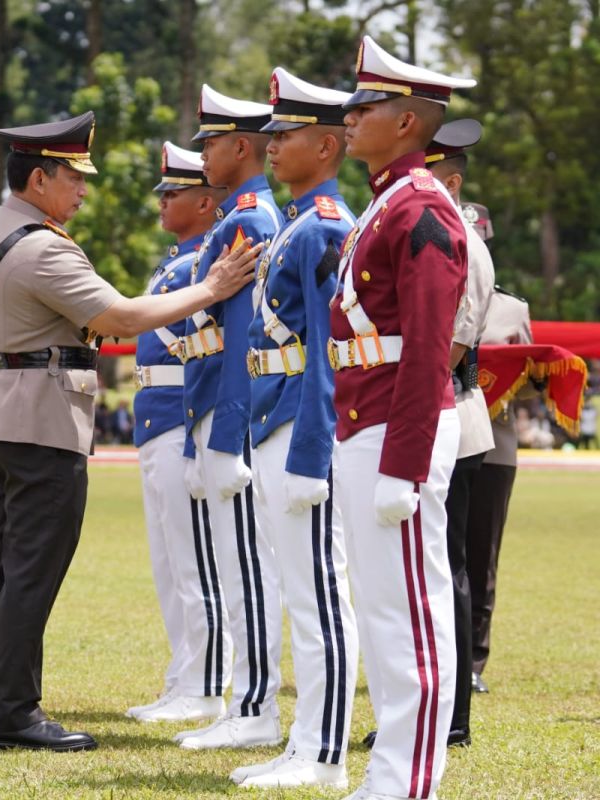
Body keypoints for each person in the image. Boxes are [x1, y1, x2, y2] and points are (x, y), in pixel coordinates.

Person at [0, 109, 261, 752]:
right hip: (41, 415)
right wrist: (210, 288)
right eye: (74, 177)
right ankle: (15, 712)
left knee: (3, 568)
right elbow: (120, 316)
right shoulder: (42, 245)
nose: (83, 190)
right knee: (32, 570)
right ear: (40, 179)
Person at [332, 36, 474, 800]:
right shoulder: (388, 199)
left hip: (398, 425)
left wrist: (406, 463)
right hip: (367, 418)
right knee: (384, 609)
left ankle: (410, 778)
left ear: (410, 122)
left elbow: (427, 344)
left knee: (409, 613)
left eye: (368, 106)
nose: (351, 118)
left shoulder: (420, 207)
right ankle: (391, 768)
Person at [230, 68, 360, 789]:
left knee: (318, 595)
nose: (271, 146)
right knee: (296, 589)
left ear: (327, 143)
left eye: (285, 135)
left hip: (301, 426)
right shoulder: (303, 225)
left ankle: (326, 754)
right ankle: (304, 740)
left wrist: (313, 449)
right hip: (271, 416)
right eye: (270, 135)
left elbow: (325, 352)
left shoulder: (328, 229)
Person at [176, 84, 284, 752]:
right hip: (216, 406)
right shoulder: (238, 217)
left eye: (211, 143)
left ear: (241, 147)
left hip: (233, 413)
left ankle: (256, 707)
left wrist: (228, 431)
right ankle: (245, 702)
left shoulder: (251, 219)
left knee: (248, 567)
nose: (204, 156)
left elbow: (245, 335)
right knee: (235, 564)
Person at [125, 142, 231, 725]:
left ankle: (207, 684)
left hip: (178, 413)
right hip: (154, 414)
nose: (163, 200)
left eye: (175, 191)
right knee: (169, 562)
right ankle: (183, 675)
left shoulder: (205, 266)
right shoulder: (178, 262)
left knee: (195, 561)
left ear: (207, 200)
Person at [427, 117, 495, 749]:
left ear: (449, 178)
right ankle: (434, 708)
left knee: (448, 565)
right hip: (441, 411)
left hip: (453, 413)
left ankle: (452, 713)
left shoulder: (462, 240)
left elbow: (452, 345)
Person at [465, 285, 532, 694]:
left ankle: (472, 660)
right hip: (440, 439)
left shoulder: (512, 308)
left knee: (482, 555)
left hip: (495, 443)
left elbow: (530, 379)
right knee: (437, 555)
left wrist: (505, 375)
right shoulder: (431, 287)